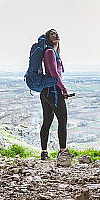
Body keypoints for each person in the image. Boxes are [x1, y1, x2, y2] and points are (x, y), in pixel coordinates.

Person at [39, 29, 73, 165]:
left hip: (45, 92)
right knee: (62, 120)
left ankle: (44, 152)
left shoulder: (51, 52)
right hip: (53, 91)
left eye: (57, 32)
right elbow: (54, 73)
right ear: (48, 38)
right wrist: (63, 89)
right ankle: (63, 151)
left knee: (47, 121)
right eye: (52, 33)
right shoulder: (49, 52)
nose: (56, 34)